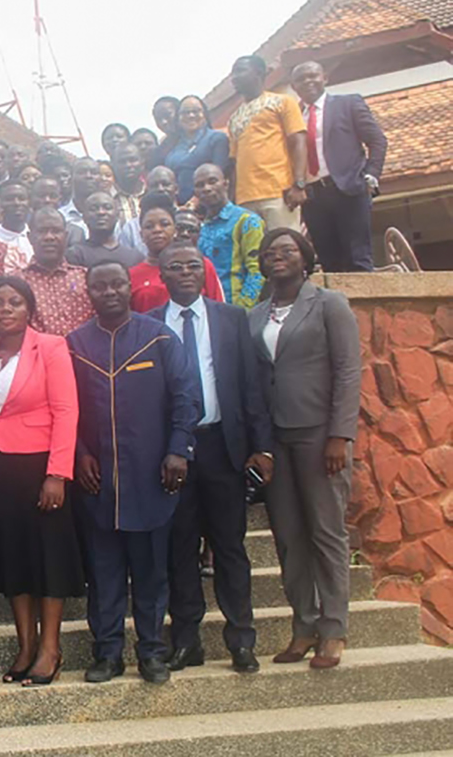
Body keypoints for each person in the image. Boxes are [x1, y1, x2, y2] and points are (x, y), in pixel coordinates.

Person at [68, 261, 198, 685]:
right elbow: (66, 410)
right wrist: (80, 454)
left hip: (151, 477)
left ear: (131, 287)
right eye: (99, 285)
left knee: (150, 573)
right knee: (104, 576)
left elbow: (185, 398)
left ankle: (151, 652)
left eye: (116, 284)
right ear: (88, 291)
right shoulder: (74, 344)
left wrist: (178, 450)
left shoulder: (159, 337)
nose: (108, 291)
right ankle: (107, 654)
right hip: (97, 481)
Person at [147, 240, 273, 675]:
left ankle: (241, 639)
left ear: (203, 273)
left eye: (191, 266)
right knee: (179, 549)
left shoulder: (231, 319)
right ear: (161, 276)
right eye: (174, 267)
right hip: (172, 455)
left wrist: (262, 447)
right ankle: (187, 642)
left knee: (229, 546)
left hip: (223, 447)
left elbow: (251, 387)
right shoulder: (148, 325)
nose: (184, 272)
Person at [248, 229, 361, 669]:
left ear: (305, 257)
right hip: (275, 440)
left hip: (319, 435)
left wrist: (341, 435)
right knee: (289, 537)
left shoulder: (329, 304)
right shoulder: (254, 316)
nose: (278, 257)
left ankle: (334, 630)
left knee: (326, 532)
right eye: (269, 253)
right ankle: (303, 625)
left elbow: (348, 371)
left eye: (287, 250)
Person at [0, 275, 81, 687]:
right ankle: (26, 646)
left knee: (47, 558)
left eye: (15, 301)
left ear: (29, 309)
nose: (6, 309)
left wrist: (57, 474)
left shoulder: (49, 347)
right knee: (13, 558)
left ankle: (50, 648)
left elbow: (66, 410)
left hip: (40, 467)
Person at [291, 61, 388, 272]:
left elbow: (377, 140)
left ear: (325, 78)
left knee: (358, 258)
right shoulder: (293, 118)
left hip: (348, 188)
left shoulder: (348, 103)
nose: (308, 81)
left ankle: (364, 305)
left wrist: (371, 174)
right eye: (301, 79)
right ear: (293, 87)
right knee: (329, 261)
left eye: (313, 75)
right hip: (312, 196)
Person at [227, 55, 308, 230]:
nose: (233, 77)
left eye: (240, 71)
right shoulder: (233, 118)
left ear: (259, 73)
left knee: (284, 247)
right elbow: (234, 162)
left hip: (278, 193)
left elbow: (299, 141)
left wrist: (299, 184)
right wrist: (233, 200)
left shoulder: (283, 102)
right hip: (244, 200)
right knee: (254, 254)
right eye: (232, 73)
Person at [129, 194, 225, 312]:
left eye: (164, 224)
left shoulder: (200, 265)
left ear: (175, 230)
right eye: (149, 226)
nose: (157, 230)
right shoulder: (131, 276)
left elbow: (219, 310)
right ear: (141, 235)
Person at [193, 164, 264, 308]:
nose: (206, 188)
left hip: (237, 308)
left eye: (212, 181)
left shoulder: (247, 221)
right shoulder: (200, 227)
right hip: (209, 310)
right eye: (200, 185)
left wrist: (243, 309)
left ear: (225, 184)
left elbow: (257, 270)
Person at [21, 208, 95, 337]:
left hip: (84, 354)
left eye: (56, 231)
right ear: (30, 237)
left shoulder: (85, 277)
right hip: (40, 355)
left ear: (66, 237)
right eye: (42, 231)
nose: (49, 237)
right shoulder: (17, 281)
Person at [164, 96, 229, 206]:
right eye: (185, 112)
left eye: (196, 111)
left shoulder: (217, 139)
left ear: (204, 114)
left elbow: (221, 173)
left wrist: (196, 201)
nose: (191, 115)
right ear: (178, 118)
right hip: (183, 210)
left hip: (212, 205)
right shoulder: (173, 152)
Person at [66, 191, 144, 269]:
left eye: (107, 207)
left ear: (117, 215)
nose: (101, 212)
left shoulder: (134, 257)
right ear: (84, 217)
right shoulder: (75, 255)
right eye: (93, 209)